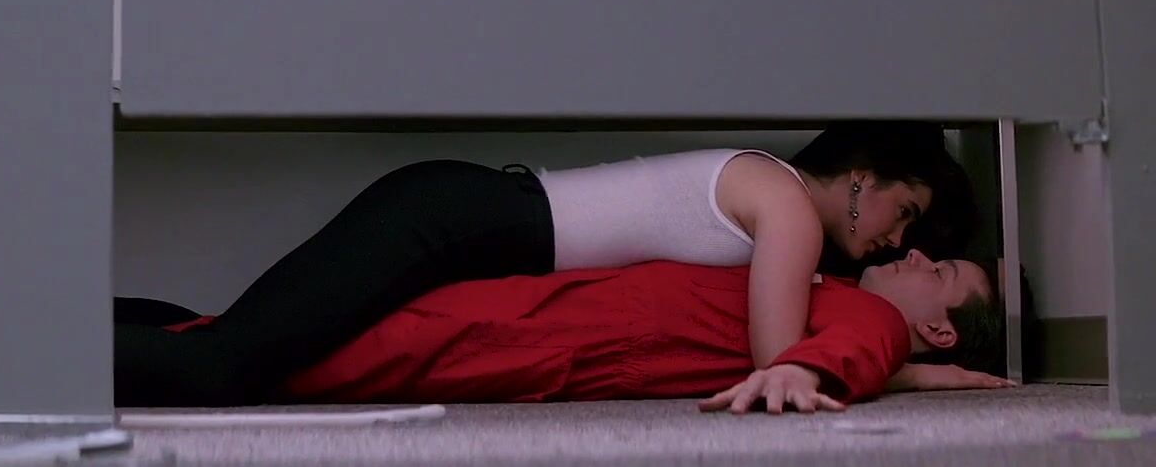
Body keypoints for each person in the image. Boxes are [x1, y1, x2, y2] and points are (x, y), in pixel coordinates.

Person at [114, 121, 978, 407]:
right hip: (450, 223)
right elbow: (775, 359)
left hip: (463, 221)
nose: (897, 241)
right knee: (223, 367)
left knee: (238, 340)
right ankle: (37, 357)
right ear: (862, 176)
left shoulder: (777, 198)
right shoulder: (787, 205)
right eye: (906, 211)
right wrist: (904, 369)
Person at [148, 250, 1008, 411]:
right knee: (310, 336)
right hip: (562, 317)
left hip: (557, 334)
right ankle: (162, 340)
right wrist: (901, 377)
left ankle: (147, 356)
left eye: (940, 271)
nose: (918, 254)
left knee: (331, 357)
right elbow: (868, 355)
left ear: (938, 330)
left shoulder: (871, 316)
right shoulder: (847, 296)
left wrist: (800, 375)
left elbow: (852, 347)